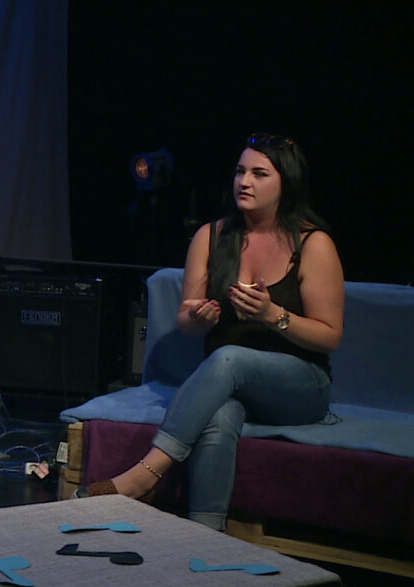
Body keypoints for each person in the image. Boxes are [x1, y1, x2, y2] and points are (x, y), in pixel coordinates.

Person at [76, 132, 345, 531]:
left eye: (259, 174)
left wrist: (273, 314)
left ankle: (145, 474)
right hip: (230, 384)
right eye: (240, 172)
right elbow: (186, 321)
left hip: (300, 387)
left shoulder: (313, 243)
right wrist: (199, 319)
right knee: (219, 412)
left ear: (286, 183)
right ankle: (205, 535)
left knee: (228, 358)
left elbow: (330, 336)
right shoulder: (211, 236)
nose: (244, 182)